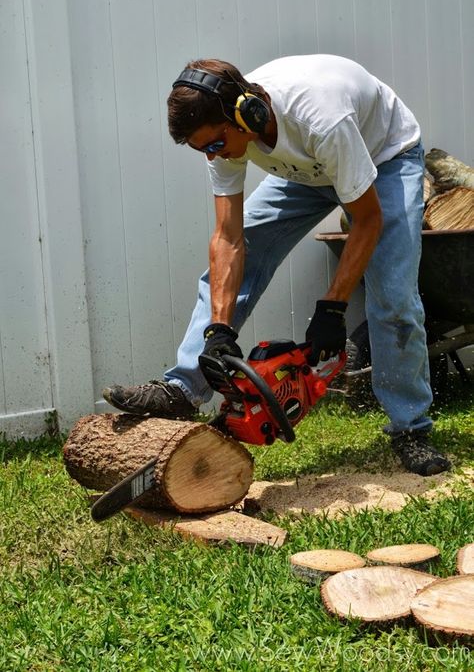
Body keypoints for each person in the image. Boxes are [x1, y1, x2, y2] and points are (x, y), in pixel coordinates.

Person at [103, 54, 451, 477]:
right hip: (307, 170)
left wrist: (333, 307)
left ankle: (410, 428)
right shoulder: (226, 132)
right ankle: (182, 387)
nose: (212, 157)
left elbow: (368, 218)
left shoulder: (321, 118)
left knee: (393, 295)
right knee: (248, 245)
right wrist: (219, 330)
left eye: (214, 145)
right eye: (203, 151)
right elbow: (229, 238)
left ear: (245, 114)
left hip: (383, 158)